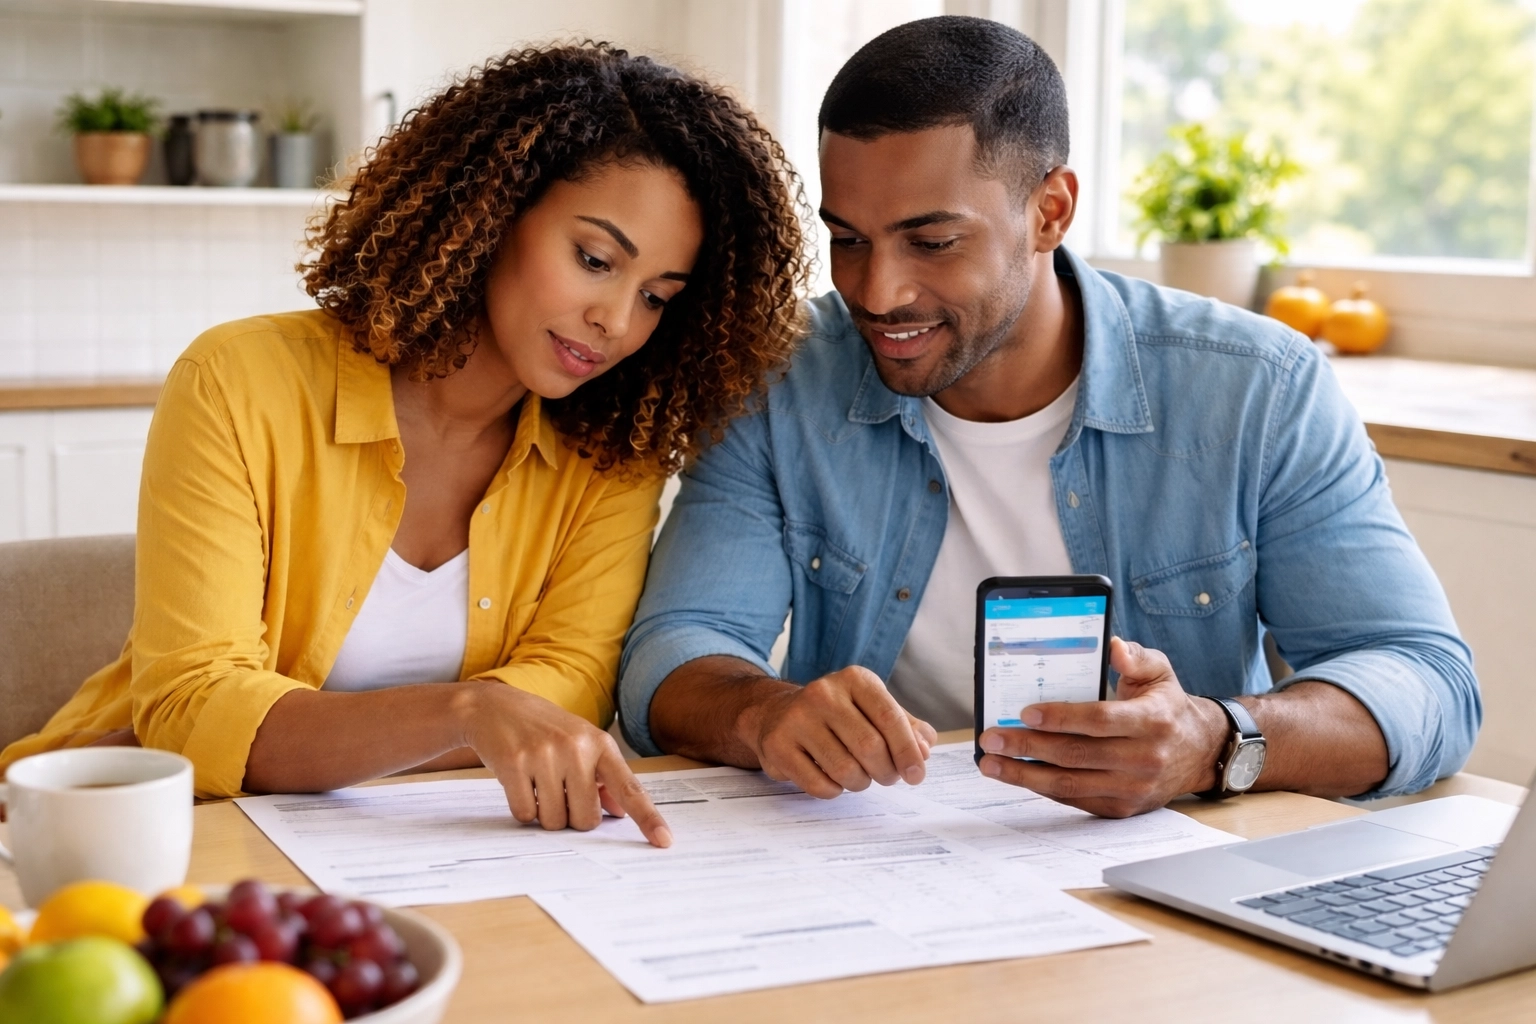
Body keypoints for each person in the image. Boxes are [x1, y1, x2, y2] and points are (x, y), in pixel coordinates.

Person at [617, 16, 1479, 817]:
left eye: (932, 241)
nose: (877, 292)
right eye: (848, 238)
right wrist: (765, 713)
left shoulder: (1257, 389)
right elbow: (673, 653)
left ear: (1050, 211)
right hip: (872, 866)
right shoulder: (780, 377)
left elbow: (1426, 679)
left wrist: (1212, 741)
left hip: (1161, 889)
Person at [0, 43, 810, 845]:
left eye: (658, 298)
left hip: (424, 849)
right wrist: (466, 712)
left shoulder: (611, 457)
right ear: (491, 210)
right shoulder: (239, 381)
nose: (619, 322)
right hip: (131, 829)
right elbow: (190, 715)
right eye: (594, 259)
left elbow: (570, 694)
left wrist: (281, 736)